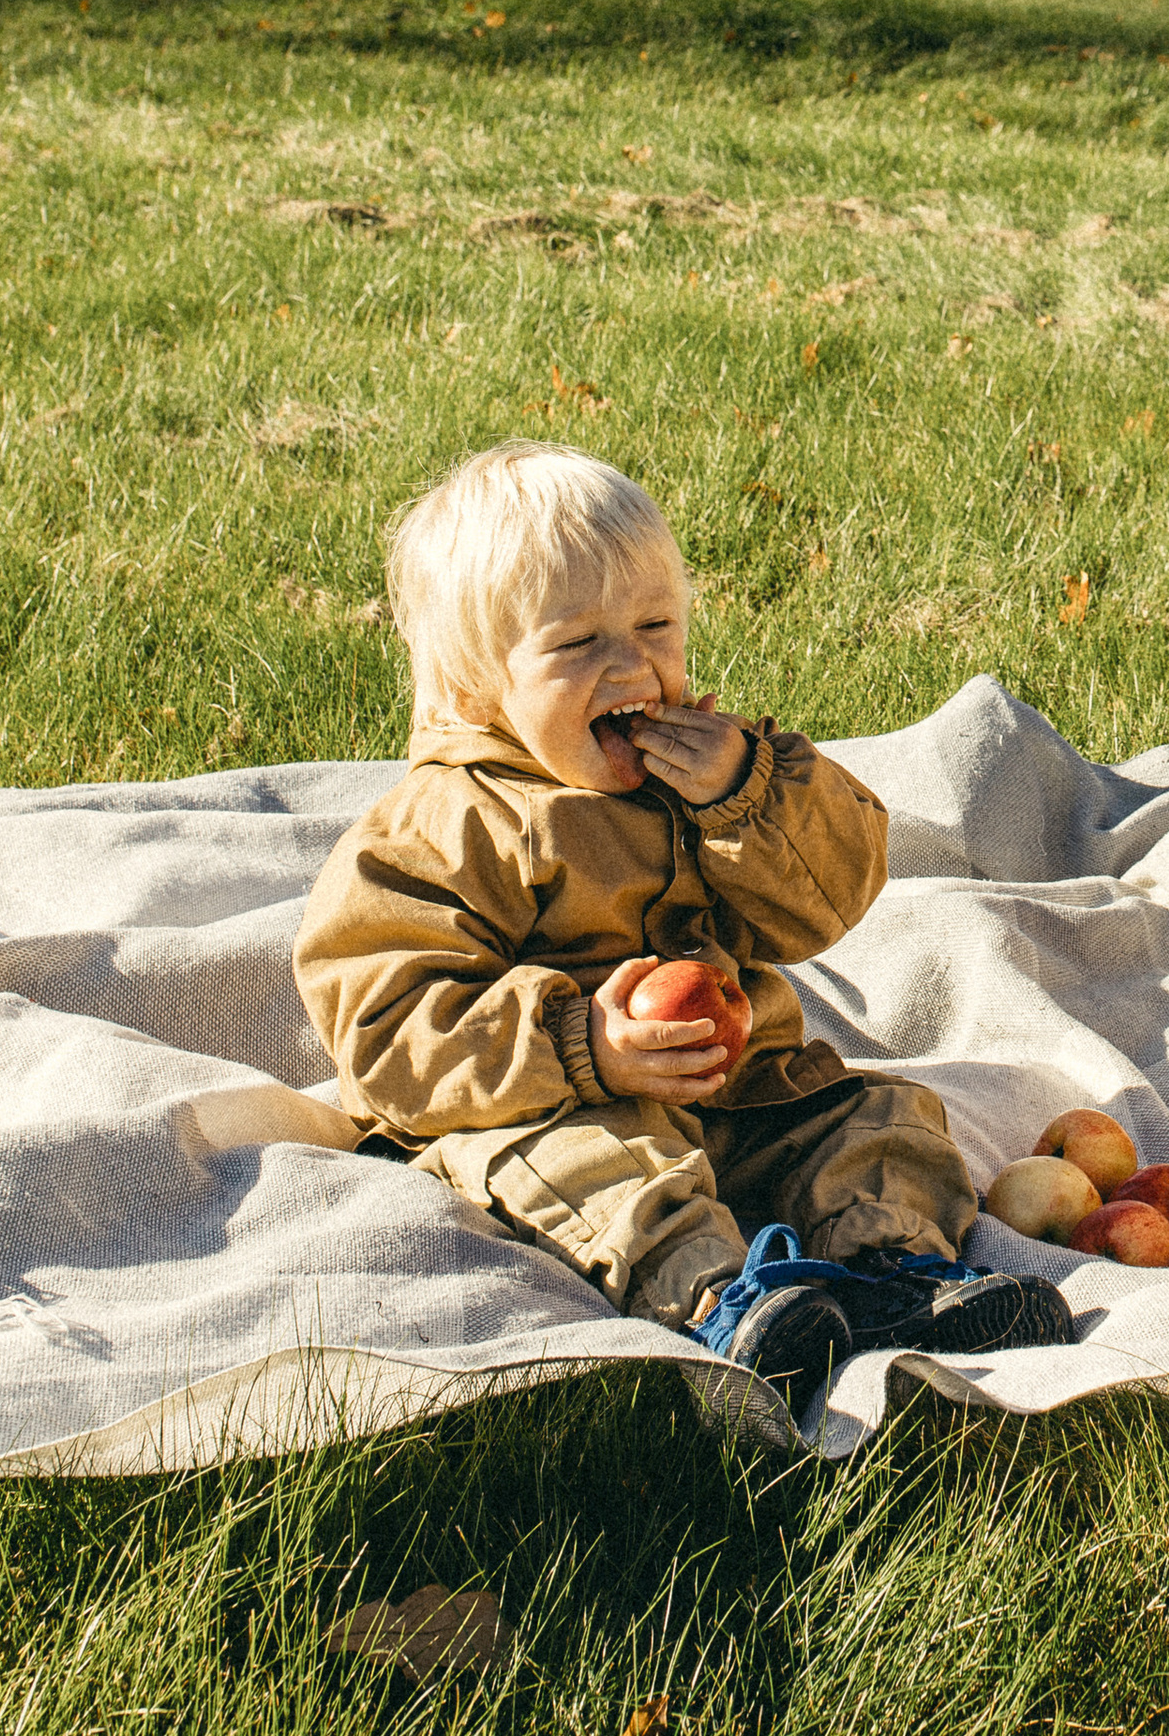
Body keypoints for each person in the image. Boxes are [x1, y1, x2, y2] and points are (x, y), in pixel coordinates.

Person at [296, 441, 1071, 1399]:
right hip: (543, 1103)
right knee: (595, 1169)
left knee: (876, 1121)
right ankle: (727, 1300)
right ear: (475, 683)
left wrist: (748, 797)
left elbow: (833, 894)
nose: (634, 666)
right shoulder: (446, 827)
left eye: (656, 625)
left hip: (740, 1093)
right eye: (579, 644)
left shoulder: (707, 774)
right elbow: (387, 1021)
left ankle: (892, 1273)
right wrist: (584, 1046)